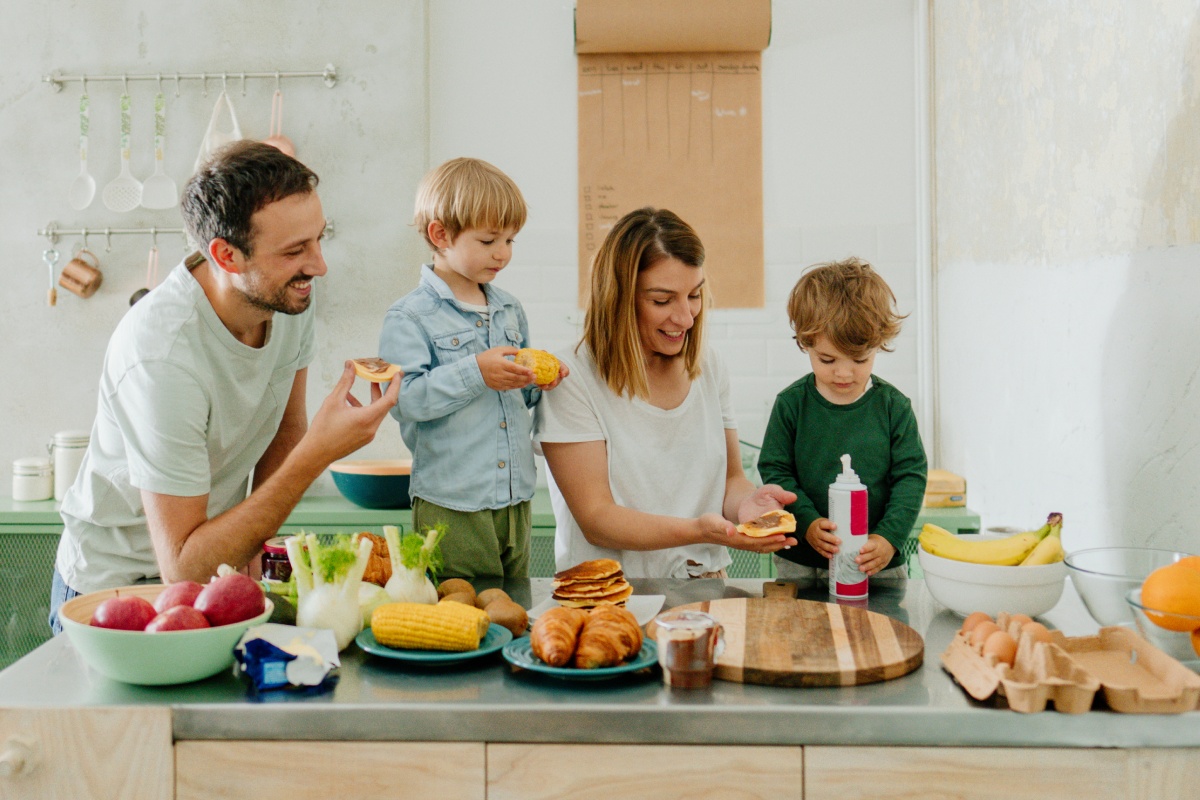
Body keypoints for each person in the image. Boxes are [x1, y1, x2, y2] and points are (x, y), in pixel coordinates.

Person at [50, 141, 399, 633]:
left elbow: (286, 427)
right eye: (296, 250)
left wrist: (248, 546)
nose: (319, 266)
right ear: (226, 255)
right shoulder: (163, 355)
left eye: (318, 240)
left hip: (213, 569)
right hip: (124, 591)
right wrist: (319, 454)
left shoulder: (284, 296)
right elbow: (182, 565)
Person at [533, 207, 798, 578]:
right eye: (662, 300)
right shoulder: (571, 378)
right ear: (619, 298)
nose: (686, 318)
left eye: (694, 295)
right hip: (608, 597)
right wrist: (698, 531)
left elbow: (731, 480)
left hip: (705, 585)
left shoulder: (708, 367)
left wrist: (747, 506)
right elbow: (597, 519)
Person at [379, 157, 566, 579]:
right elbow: (404, 401)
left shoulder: (509, 309)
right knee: (462, 617)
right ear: (440, 235)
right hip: (452, 505)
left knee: (511, 610)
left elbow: (518, 399)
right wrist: (475, 372)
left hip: (516, 499)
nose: (503, 253)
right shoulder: (409, 317)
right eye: (488, 241)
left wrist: (539, 381)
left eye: (511, 241)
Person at [758, 257, 927, 586]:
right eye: (827, 359)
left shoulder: (894, 408)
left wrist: (888, 538)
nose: (844, 372)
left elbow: (911, 478)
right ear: (805, 342)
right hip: (801, 563)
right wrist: (806, 522)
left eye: (860, 359)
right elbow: (776, 471)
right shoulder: (791, 405)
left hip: (875, 564)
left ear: (879, 345)